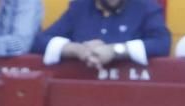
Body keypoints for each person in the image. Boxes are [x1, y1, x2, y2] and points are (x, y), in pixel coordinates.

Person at [32, 0, 171, 69]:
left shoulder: (145, 7)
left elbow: (163, 43)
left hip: (132, 93)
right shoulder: (80, 6)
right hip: (81, 92)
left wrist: (114, 50)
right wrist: (77, 49)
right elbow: (39, 41)